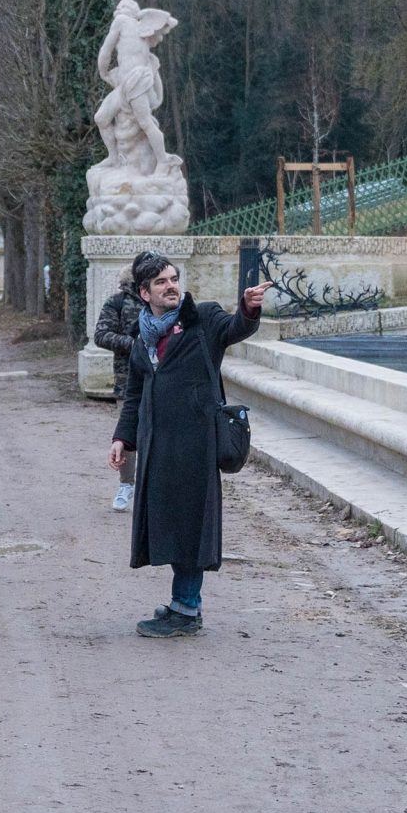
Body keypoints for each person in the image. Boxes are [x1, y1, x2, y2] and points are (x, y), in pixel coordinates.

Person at [108, 253, 269, 638]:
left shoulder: (203, 318)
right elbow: (135, 393)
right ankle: (183, 603)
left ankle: (186, 609)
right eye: (161, 282)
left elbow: (235, 328)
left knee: (191, 526)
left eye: (174, 278)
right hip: (158, 446)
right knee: (168, 524)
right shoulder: (142, 334)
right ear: (144, 292)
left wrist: (248, 308)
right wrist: (122, 437)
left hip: (196, 444)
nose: (171, 286)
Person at [91, 272, 144, 514]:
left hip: (163, 379)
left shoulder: (162, 301)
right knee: (128, 436)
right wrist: (133, 344)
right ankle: (126, 483)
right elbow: (101, 335)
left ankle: (153, 488)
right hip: (127, 380)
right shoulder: (117, 302)